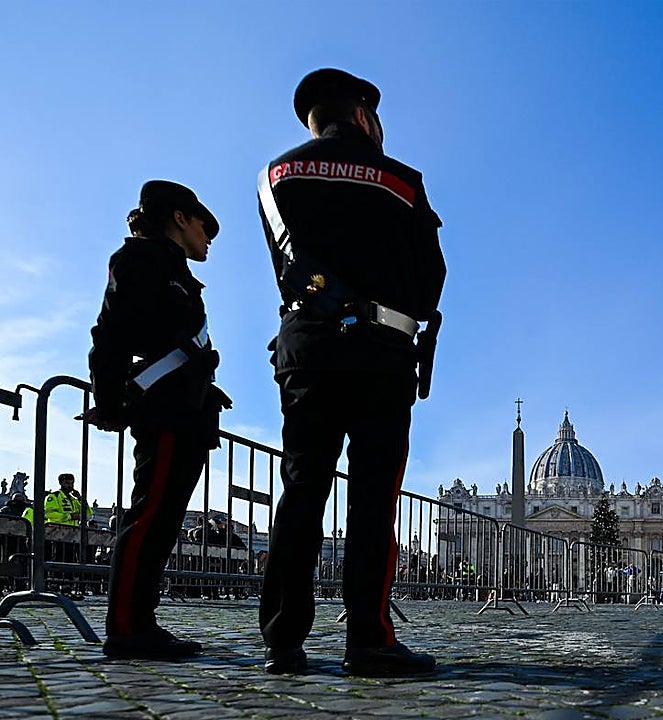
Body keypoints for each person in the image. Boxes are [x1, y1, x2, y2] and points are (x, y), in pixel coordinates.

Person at [257, 68, 447, 677]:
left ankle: (283, 638)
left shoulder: (275, 176)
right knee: (373, 498)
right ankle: (367, 637)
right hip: (380, 351)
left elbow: (285, 267)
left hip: (306, 348)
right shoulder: (402, 181)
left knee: (301, 489)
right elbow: (430, 278)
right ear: (364, 116)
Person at [86, 180, 228, 660]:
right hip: (164, 408)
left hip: (187, 407)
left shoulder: (177, 272)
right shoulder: (140, 261)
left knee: (164, 521)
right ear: (180, 219)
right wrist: (108, 401)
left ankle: (140, 621)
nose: (208, 237)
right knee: (148, 517)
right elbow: (110, 335)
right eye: (204, 226)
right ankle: (126, 627)